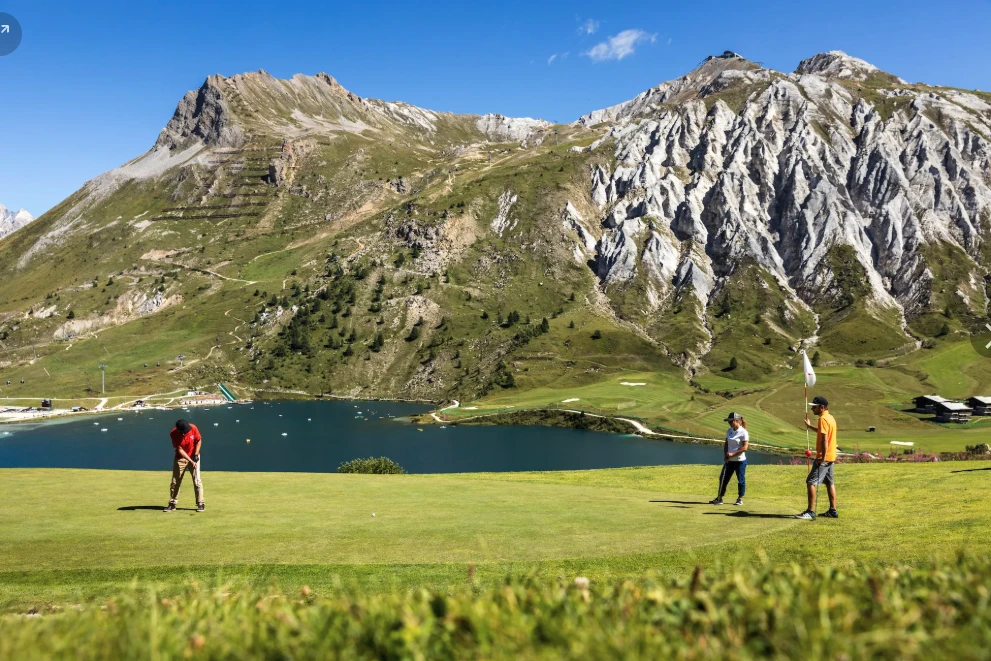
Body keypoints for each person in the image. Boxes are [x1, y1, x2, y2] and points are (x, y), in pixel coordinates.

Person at [796, 395, 838, 520]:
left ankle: (810, 512)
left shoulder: (823, 419)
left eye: (814, 407)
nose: (812, 409)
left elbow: (824, 439)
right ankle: (833, 510)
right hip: (831, 457)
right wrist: (809, 427)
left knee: (810, 482)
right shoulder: (830, 418)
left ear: (822, 407)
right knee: (830, 483)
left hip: (823, 458)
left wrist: (822, 458)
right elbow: (821, 431)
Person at [164, 419, 204, 512]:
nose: (188, 431)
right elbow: (180, 450)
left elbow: (198, 440)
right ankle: (172, 503)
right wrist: (190, 460)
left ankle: (201, 503)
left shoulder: (193, 428)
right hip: (180, 458)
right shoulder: (173, 433)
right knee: (175, 482)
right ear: (179, 430)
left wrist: (196, 454)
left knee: (197, 480)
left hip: (194, 457)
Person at [709, 412, 749, 506]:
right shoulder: (729, 430)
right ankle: (720, 498)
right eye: (729, 421)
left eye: (731, 421)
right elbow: (726, 444)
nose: (729, 423)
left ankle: (739, 499)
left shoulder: (744, 432)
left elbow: (745, 448)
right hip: (729, 461)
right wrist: (726, 455)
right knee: (723, 478)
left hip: (740, 461)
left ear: (736, 421)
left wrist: (732, 454)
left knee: (741, 480)